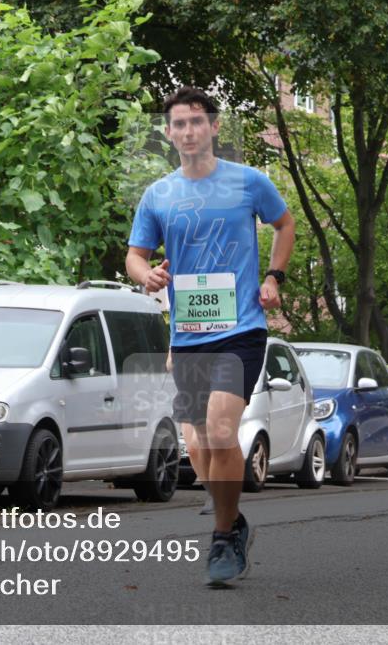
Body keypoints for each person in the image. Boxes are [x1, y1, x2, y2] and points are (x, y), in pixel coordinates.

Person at [126, 86, 295, 586]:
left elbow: (284, 224)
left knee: (222, 431)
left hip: (241, 329)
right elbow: (135, 255)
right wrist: (147, 276)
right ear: (168, 133)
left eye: (197, 121)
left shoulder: (248, 181)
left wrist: (274, 277)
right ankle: (234, 519)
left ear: (214, 126)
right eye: (178, 124)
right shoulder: (158, 195)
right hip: (189, 334)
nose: (188, 131)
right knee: (198, 444)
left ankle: (222, 538)